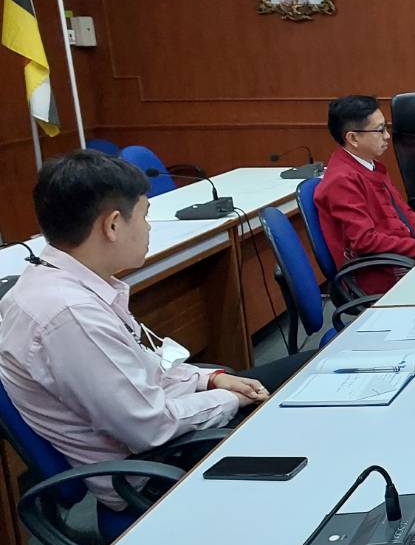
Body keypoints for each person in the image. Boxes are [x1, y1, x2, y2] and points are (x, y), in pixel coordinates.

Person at [0, 151, 312, 511]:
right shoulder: (70, 316)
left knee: (314, 368)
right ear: (112, 225)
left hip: (163, 428)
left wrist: (209, 380)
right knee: (310, 413)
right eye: (145, 216)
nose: (149, 228)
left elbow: (143, 369)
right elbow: (149, 428)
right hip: (155, 471)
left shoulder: (64, 281)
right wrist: (227, 399)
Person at [315, 95, 415, 296]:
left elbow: (403, 212)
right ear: (353, 138)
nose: (387, 136)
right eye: (380, 130)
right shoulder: (341, 180)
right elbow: (365, 241)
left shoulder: (370, 165)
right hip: (378, 273)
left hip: (401, 255)